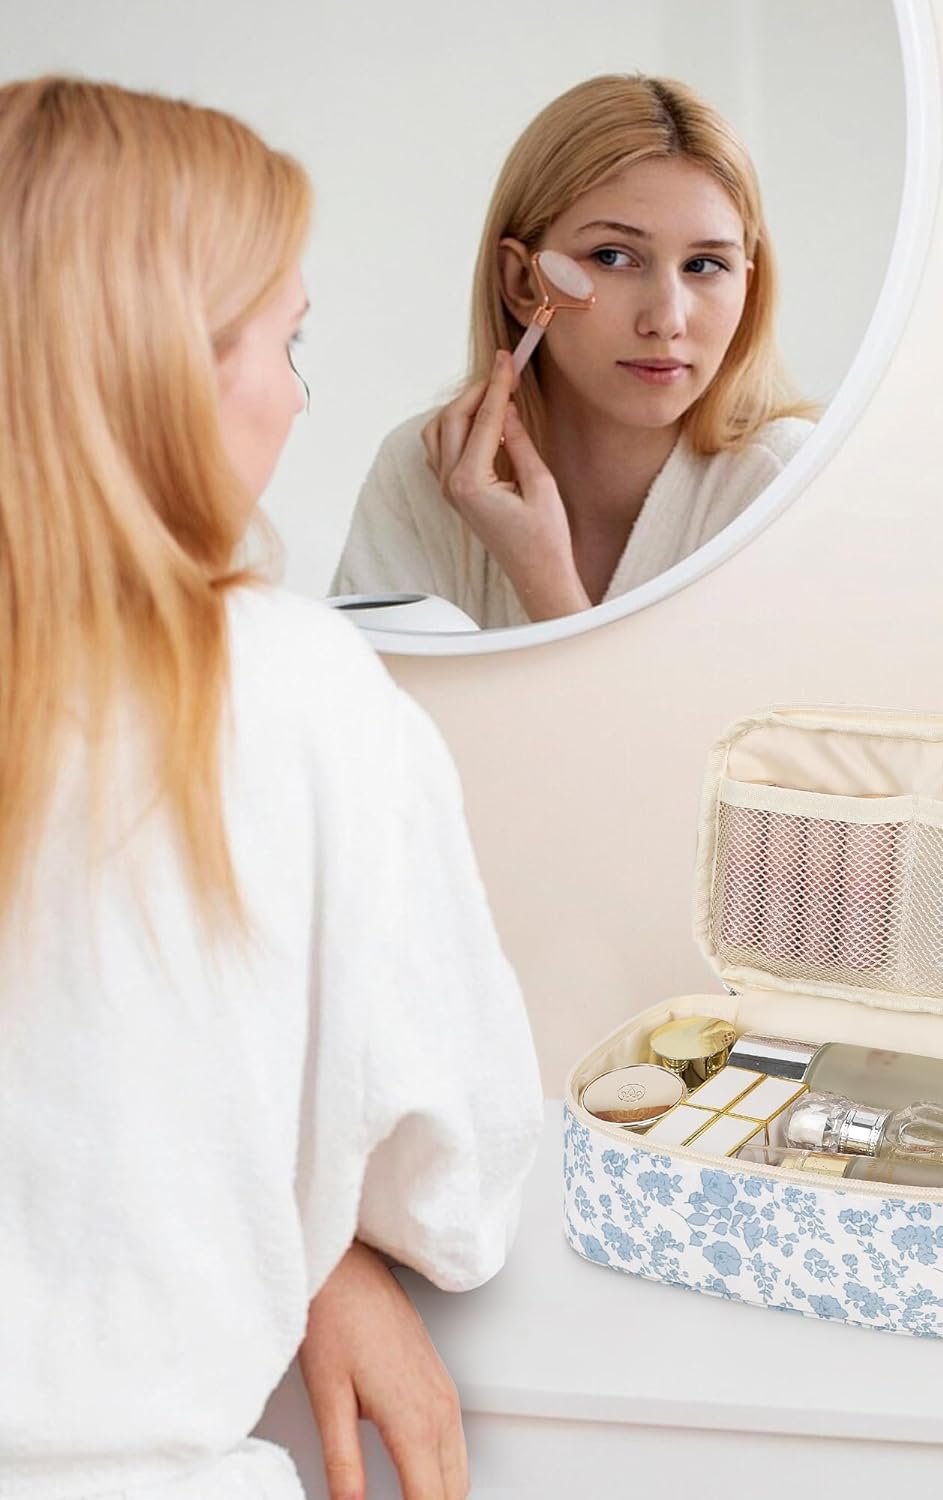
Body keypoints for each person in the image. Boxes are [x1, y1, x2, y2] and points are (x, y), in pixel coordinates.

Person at [0, 77, 542, 1500]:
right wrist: (329, 1243)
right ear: (160, 367)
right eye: (286, 340)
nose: (300, 393)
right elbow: (456, 1195)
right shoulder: (298, 693)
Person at [331, 73, 817, 627]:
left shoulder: (790, 482)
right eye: (613, 256)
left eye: (704, 265)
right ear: (521, 282)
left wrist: (544, 582)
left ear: (747, 286)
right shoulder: (419, 474)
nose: (666, 320)